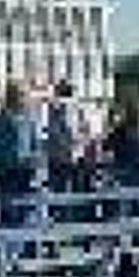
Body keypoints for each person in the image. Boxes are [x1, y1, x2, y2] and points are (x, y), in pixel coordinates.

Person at [0, 83, 41, 230]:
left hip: (23, 170)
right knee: (11, 210)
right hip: (8, 170)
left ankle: (20, 245)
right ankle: (12, 245)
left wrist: (34, 158)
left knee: (22, 210)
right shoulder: (4, 119)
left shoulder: (27, 118)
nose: (26, 99)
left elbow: (34, 143)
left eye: (25, 95)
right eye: (23, 96)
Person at [44, 80, 87, 221]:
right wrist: (79, 143)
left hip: (58, 157)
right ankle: (73, 223)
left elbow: (54, 132)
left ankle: (59, 222)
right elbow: (82, 130)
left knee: (57, 194)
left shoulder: (55, 108)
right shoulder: (78, 108)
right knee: (75, 194)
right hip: (76, 156)